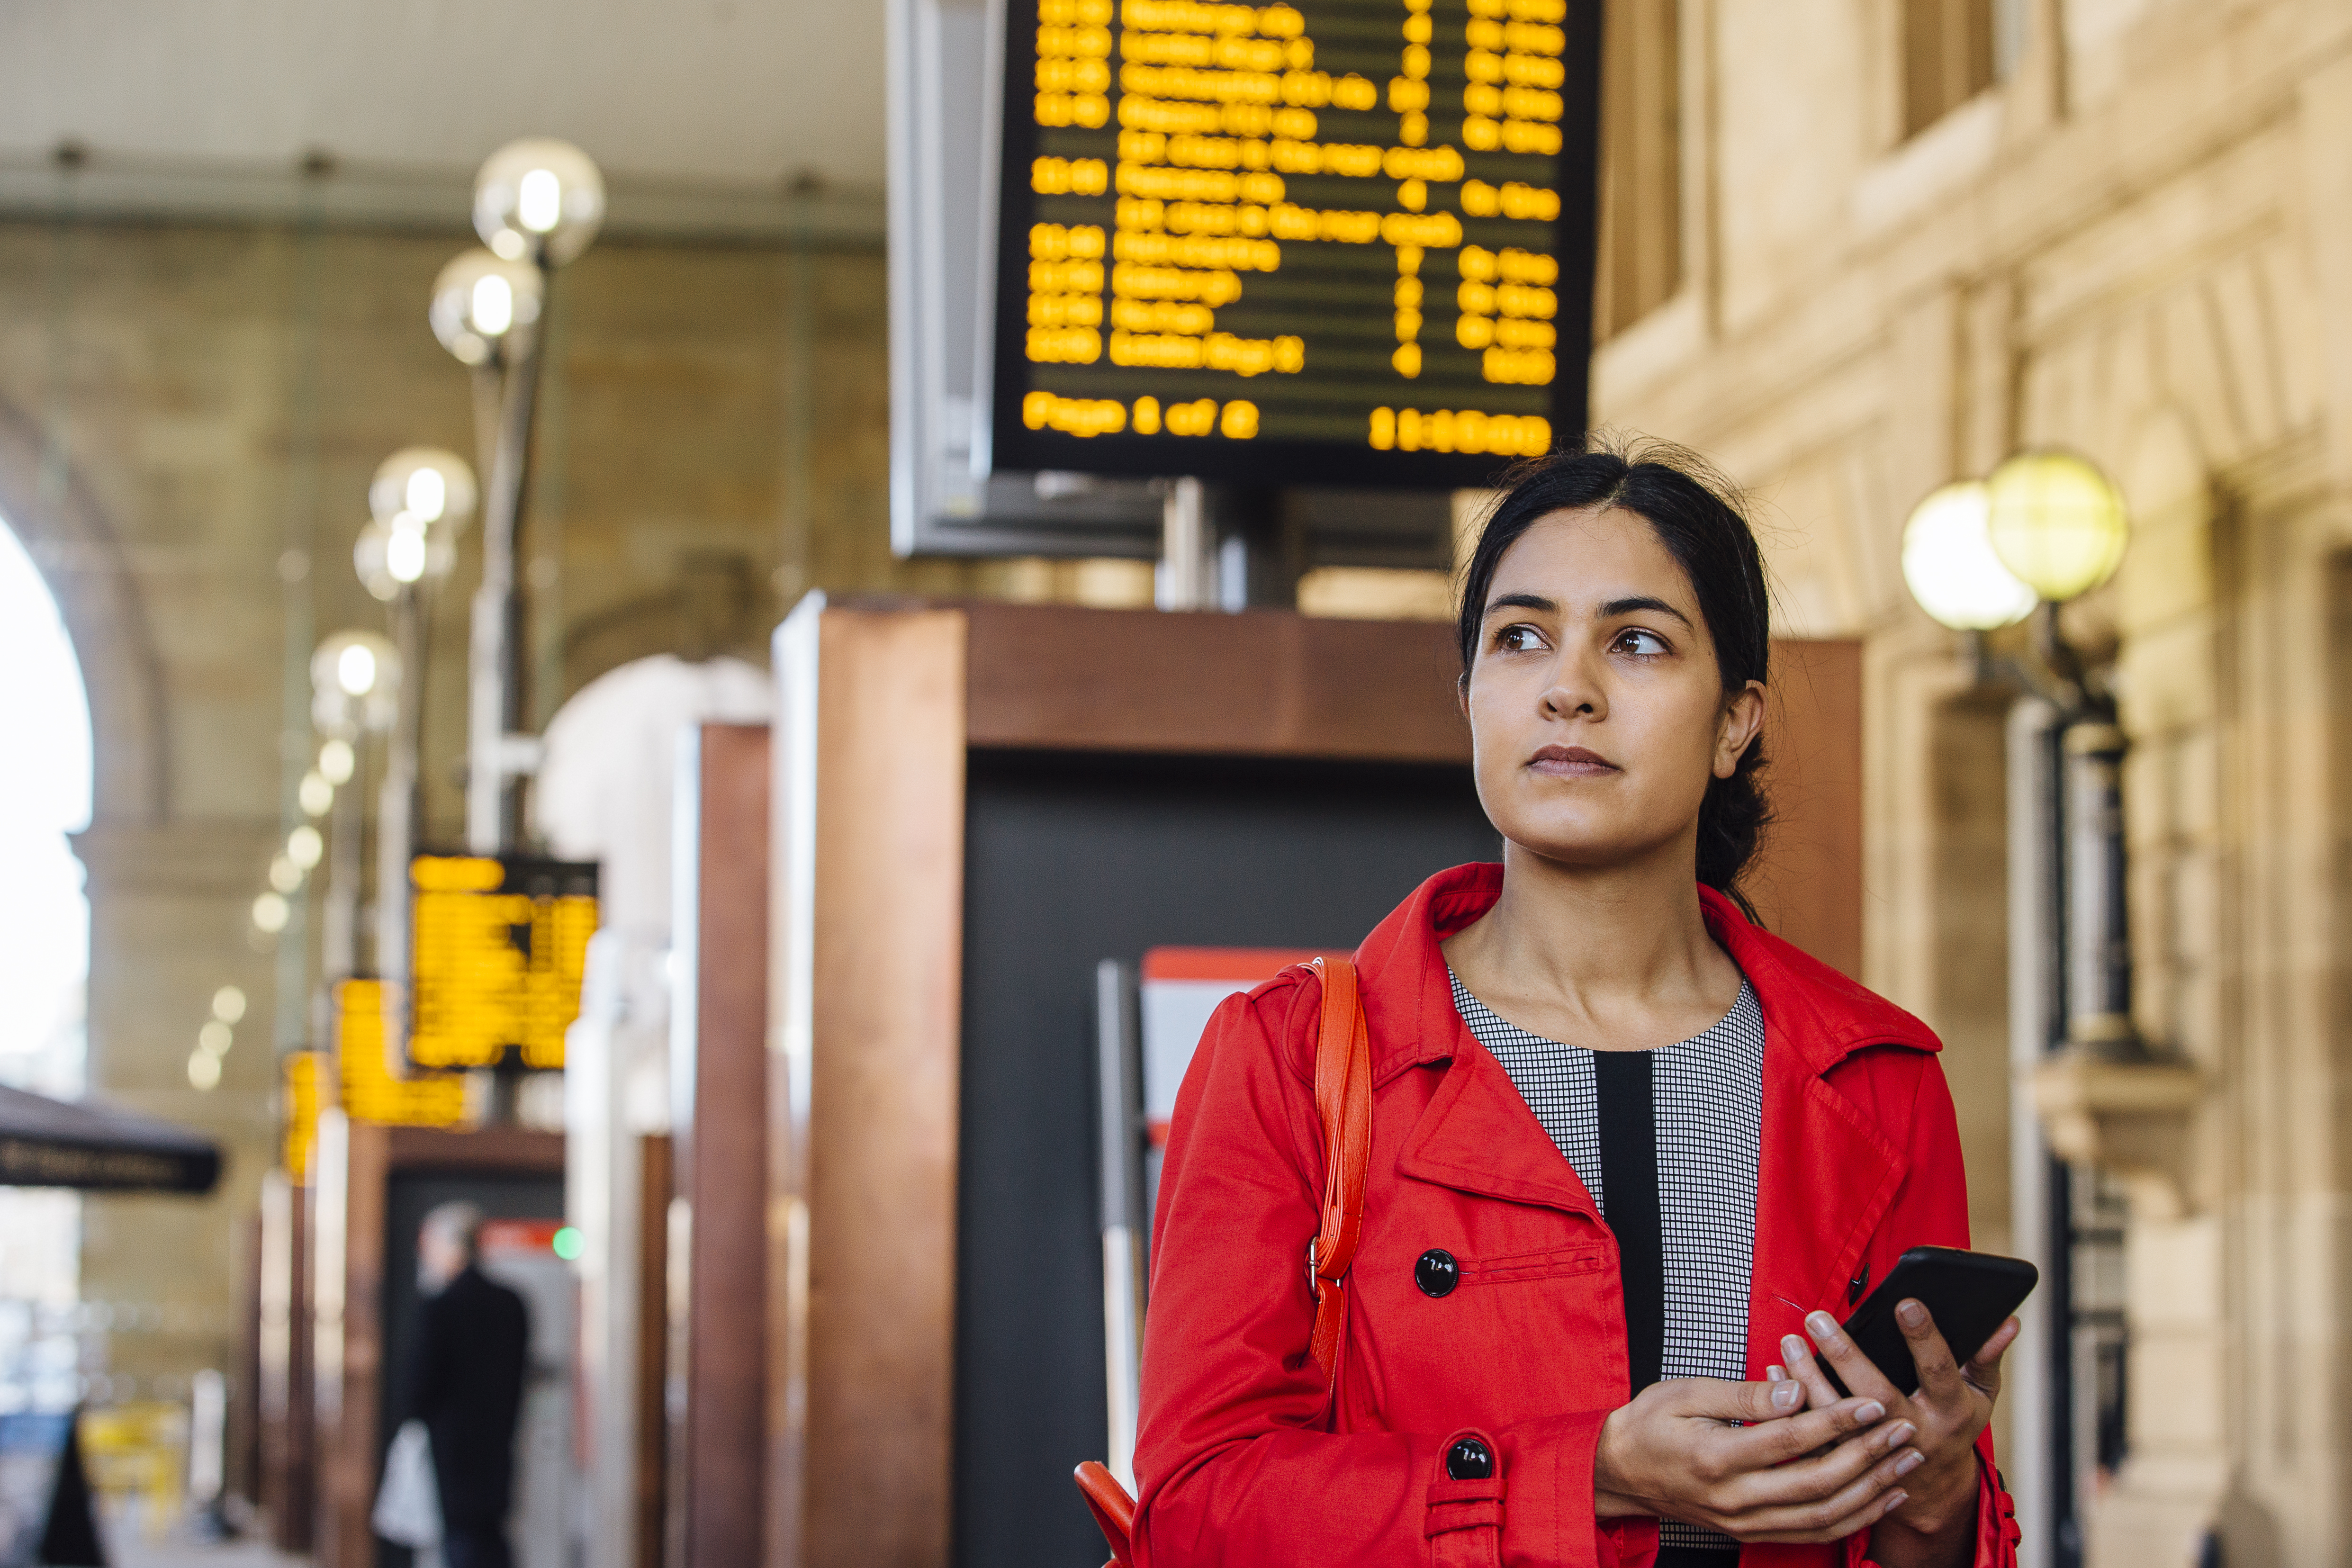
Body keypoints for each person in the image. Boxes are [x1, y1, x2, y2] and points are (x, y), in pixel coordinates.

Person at [1133, 442, 2020, 1568]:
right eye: (1521, 636)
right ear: (1469, 698)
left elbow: (1916, 1538)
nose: (1569, 684)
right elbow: (1194, 1507)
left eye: (1636, 640)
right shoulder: (1291, 1055)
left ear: (1735, 721)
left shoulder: (1873, 1073)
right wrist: (1586, 1475)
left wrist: (1935, 1494)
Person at [404, 1201, 530, 1568]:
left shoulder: (441, 1307)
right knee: (491, 1536)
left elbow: (421, 1387)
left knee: (462, 1541)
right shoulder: (512, 1304)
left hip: (454, 1450)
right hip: (500, 1444)